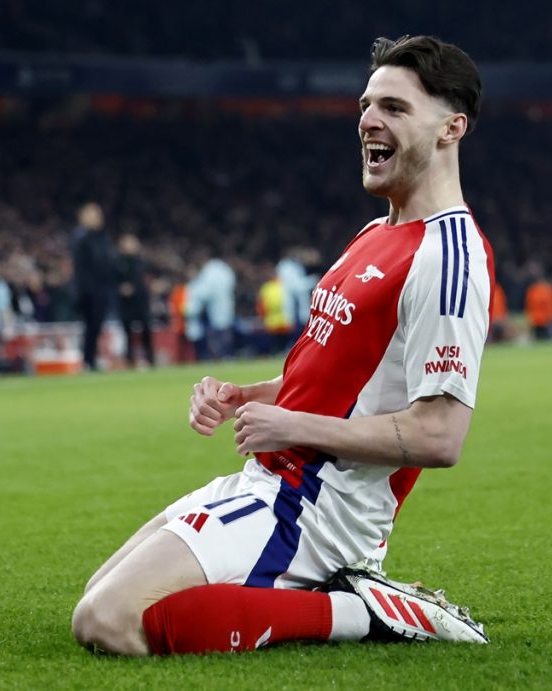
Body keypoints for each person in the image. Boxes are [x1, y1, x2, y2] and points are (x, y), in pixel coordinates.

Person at [72, 35, 494, 656]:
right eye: (367, 105)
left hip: (318, 510)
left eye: (396, 108)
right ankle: (344, 598)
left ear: (450, 129)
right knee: (99, 592)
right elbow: (338, 381)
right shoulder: (376, 231)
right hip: (267, 482)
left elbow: (439, 437)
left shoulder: (448, 255)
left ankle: (358, 612)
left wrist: (290, 422)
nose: (369, 121)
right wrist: (248, 395)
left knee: (109, 621)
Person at [71, 202, 116, 371]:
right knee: (90, 326)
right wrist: (82, 292)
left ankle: (91, 359)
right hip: (88, 290)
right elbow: (80, 268)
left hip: (102, 288)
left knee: (96, 325)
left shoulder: (103, 237)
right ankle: (87, 360)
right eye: (94, 214)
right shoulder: (81, 238)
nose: (98, 218)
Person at [113, 233, 155, 368]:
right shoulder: (118, 262)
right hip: (126, 303)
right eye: (129, 243)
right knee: (127, 331)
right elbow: (112, 281)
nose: (132, 245)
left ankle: (150, 358)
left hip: (141, 300)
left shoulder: (142, 261)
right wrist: (121, 288)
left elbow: (152, 277)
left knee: (146, 329)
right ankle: (129, 359)